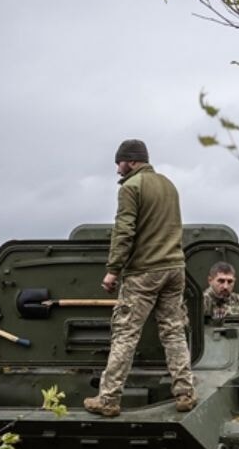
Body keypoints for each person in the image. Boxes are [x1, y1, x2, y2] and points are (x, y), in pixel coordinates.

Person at [84, 139, 196, 417]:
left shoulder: (131, 188)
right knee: (173, 331)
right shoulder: (168, 185)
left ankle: (108, 399)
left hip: (144, 272)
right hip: (175, 268)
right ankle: (185, 393)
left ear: (131, 161)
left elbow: (124, 231)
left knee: (125, 334)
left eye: (119, 162)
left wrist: (113, 270)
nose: (117, 169)